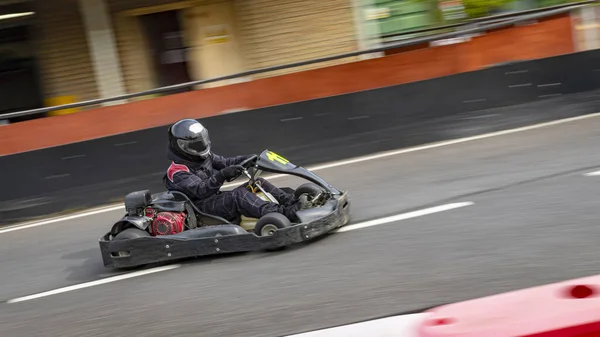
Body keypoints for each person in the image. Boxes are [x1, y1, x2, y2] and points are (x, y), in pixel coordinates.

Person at [163, 118, 308, 223]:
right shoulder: (177, 172)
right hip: (201, 210)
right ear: (181, 146)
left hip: (213, 199)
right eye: (196, 144)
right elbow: (201, 190)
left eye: (201, 141)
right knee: (238, 196)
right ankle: (284, 214)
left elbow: (225, 163)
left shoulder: (201, 157)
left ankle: (290, 201)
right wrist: (223, 175)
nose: (201, 146)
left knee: (258, 182)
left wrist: (248, 159)